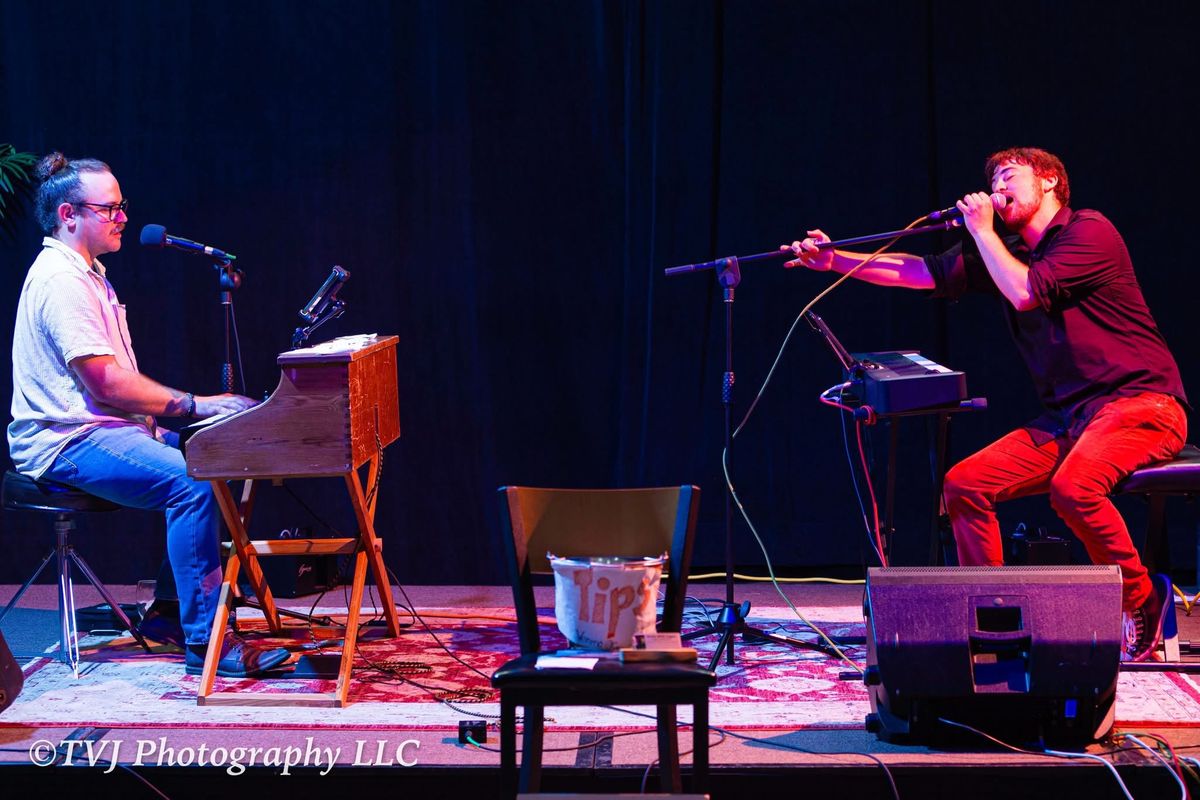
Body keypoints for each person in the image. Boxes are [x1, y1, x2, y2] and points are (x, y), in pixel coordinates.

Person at [785, 147, 1188, 662]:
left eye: (1008, 174)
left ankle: (1142, 600)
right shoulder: (1008, 247)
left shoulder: (1090, 231)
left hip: (1141, 404)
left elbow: (1025, 293)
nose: (996, 184)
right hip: (1072, 420)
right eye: (992, 176)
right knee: (965, 485)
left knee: (1073, 487)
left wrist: (983, 232)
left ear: (1048, 182)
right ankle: (996, 617)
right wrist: (834, 261)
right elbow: (921, 272)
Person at [8, 152, 290, 677]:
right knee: (192, 484)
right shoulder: (61, 281)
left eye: (122, 207)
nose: (122, 218)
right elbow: (106, 382)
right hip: (65, 442)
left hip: (97, 430)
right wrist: (195, 405)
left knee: (210, 460)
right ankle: (207, 642)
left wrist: (162, 424)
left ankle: (166, 614)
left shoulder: (89, 275)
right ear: (69, 215)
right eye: (108, 209)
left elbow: (111, 386)